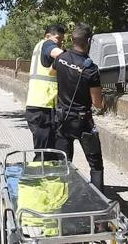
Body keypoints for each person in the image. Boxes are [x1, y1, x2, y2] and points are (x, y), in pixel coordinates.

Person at [53, 23, 105, 192]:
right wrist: (103, 105)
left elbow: (53, 73)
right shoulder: (90, 69)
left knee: (64, 164)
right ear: (89, 41)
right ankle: (99, 207)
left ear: (71, 39)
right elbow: (97, 103)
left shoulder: (61, 59)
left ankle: (63, 201)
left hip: (62, 120)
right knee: (95, 164)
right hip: (83, 122)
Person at [25, 24, 65, 161]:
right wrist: (73, 58)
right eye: (58, 38)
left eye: (62, 40)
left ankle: (47, 180)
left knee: (49, 153)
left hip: (43, 107)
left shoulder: (41, 47)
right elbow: (55, 52)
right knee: (44, 155)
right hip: (42, 107)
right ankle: (36, 179)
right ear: (47, 36)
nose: (59, 43)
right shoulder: (46, 44)